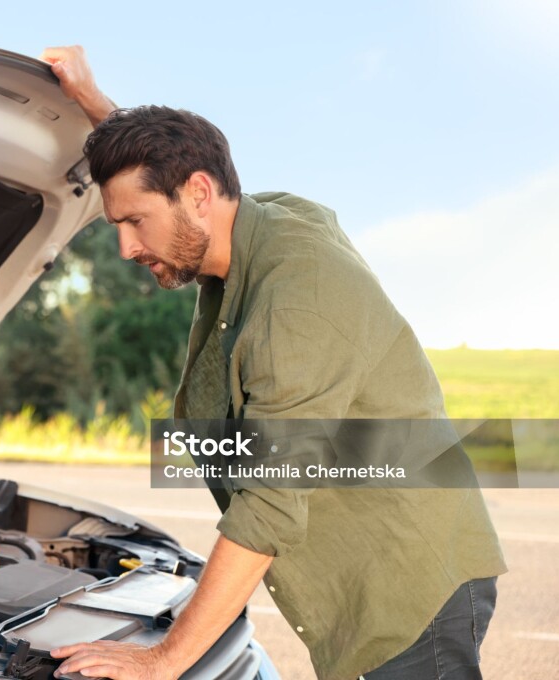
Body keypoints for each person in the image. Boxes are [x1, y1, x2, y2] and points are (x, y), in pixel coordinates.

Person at [40, 46, 507, 680]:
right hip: (376, 570)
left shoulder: (299, 302)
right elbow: (172, 170)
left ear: (198, 195)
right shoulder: (250, 219)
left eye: (134, 222)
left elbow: (268, 503)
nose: (126, 246)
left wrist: (164, 659)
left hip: (406, 592)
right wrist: (98, 106)